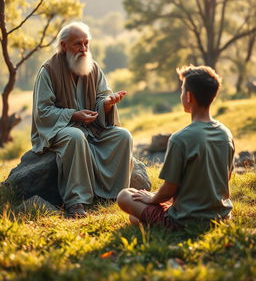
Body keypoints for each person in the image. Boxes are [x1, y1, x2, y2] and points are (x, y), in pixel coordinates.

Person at [31, 21, 133, 218]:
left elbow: (102, 96)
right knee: (75, 136)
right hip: (61, 129)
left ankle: (115, 196)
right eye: (78, 44)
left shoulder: (93, 68)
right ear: (64, 46)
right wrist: (73, 115)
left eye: (87, 43)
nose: (84, 49)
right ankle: (76, 201)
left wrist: (107, 104)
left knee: (123, 136)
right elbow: (43, 111)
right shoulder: (48, 71)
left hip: (93, 128)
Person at [117, 65, 234, 230]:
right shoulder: (226, 134)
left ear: (188, 96)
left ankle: (158, 224)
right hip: (221, 218)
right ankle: (149, 221)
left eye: (182, 90)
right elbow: (225, 177)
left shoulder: (180, 139)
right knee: (136, 217)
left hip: (184, 221)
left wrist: (152, 198)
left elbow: (169, 189)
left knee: (125, 197)